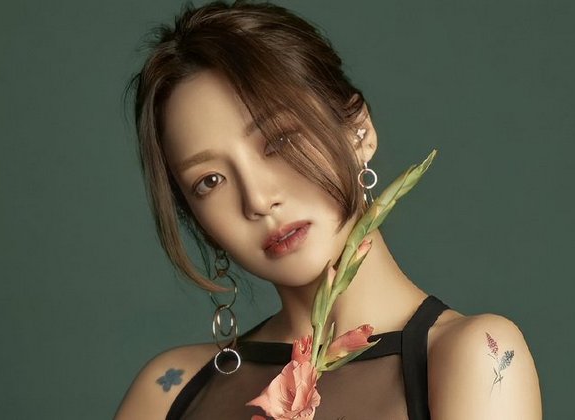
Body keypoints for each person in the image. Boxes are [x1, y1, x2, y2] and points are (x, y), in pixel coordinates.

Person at [115, 2, 542, 419]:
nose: (258, 200)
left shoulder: (475, 356)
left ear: (359, 131)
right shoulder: (168, 393)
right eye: (210, 181)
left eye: (280, 141)